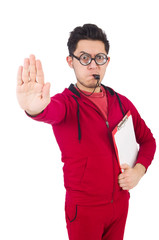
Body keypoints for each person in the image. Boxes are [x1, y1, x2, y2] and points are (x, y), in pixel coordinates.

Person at [16, 24, 156, 240]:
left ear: (107, 61)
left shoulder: (121, 102)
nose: (93, 65)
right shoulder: (66, 104)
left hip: (120, 205)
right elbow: (48, 111)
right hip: (84, 211)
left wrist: (139, 171)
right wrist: (34, 107)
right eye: (84, 58)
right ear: (70, 61)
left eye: (99, 58)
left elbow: (148, 140)